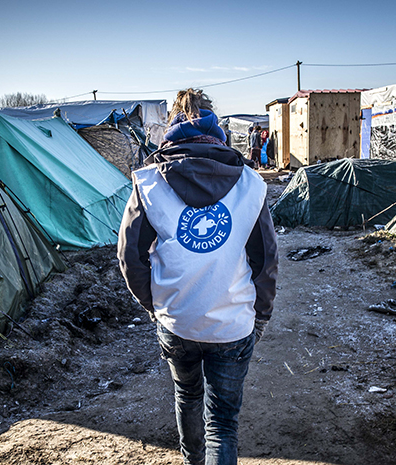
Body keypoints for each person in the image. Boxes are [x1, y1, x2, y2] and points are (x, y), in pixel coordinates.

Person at [117, 88, 278, 465]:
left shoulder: (150, 184)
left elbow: (130, 256)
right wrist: (262, 315)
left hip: (178, 321)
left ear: (172, 127)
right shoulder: (249, 184)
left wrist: (156, 307)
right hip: (232, 323)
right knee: (222, 424)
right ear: (215, 126)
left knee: (187, 396)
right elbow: (265, 259)